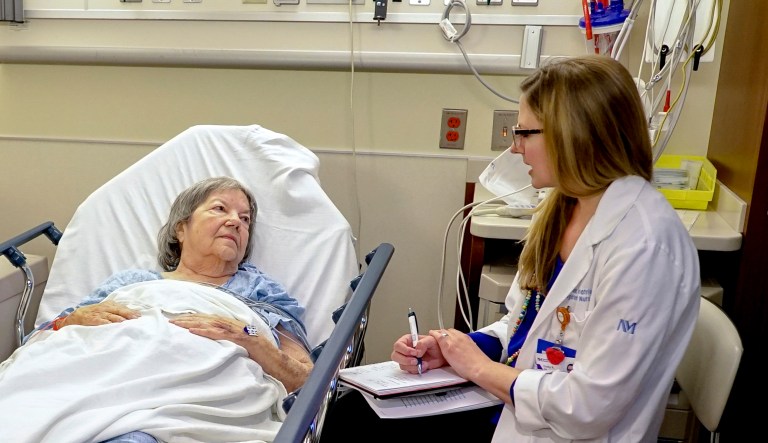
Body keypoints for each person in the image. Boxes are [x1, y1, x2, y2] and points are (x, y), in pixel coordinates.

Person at [321, 55, 700, 442]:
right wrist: (462, 348)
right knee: (353, 413)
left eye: (524, 132)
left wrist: (477, 368)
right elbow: (522, 326)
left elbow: (588, 407)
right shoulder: (561, 209)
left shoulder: (645, 247)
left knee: (354, 427)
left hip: (567, 432)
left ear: (573, 135)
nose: (516, 148)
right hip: (516, 410)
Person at [3, 176, 314, 443]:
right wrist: (71, 319)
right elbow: (41, 339)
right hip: (84, 382)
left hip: (169, 408)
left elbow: (306, 377)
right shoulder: (131, 282)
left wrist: (247, 335)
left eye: (245, 219)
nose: (235, 221)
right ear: (181, 228)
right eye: (220, 209)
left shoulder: (259, 292)